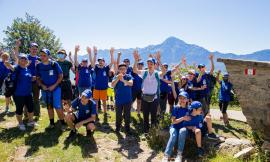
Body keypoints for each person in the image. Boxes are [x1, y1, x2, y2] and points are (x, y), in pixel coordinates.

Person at [36, 48, 66, 129]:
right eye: (41, 55)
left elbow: (61, 76)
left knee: (57, 106)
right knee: (49, 106)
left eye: (44, 55)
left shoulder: (54, 64)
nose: (42, 57)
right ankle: (51, 123)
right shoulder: (38, 66)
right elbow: (38, 77)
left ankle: (63, 123)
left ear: (48, 56)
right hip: (45, 90)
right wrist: (42, 85)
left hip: (56, 88)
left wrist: (54, 85)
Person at [5, 54, 36, 130]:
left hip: (28, 93)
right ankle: (20, 123)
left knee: (31, 108)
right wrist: (8, 64)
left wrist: (33, 78)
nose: (24, 59)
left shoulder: (28, 69)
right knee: (19, 109)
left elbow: (28, 79)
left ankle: (30, 121)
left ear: (27, 61)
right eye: (22, 58)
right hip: (18, 94)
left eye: (25, 58)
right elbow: (10, 67)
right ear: (19, 60)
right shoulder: (16, 68)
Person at [133, 50, 160, 133]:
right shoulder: (144, 72)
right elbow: (135, 70)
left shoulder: (157, 73)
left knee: (153, 116)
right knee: (145, 116)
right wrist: (135, 60)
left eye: (151, 63)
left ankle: (153, 132)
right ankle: (146, 132)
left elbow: (164, 72)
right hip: (144, 97)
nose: (149, 65)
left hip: (154, 98)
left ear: (155, 65)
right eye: (148, 63)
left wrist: (159, 60)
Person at [14, 40, 41, 118]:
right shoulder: (26, 57)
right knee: (27, 97)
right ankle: (26, 114)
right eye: (33, 48)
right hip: (26, 81)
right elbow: (17, 57)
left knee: (36, 98)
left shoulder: (39, 58)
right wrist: (17, 46)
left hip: (36, 81)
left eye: (36, 49)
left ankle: (37, 113)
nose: (34, 50)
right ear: (30, 49)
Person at [162, 91, 190, 162]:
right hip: (174, 127)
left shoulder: (189, 109)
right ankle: (166, 155)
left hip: (184, 128)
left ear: (187, 100)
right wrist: (183, 118)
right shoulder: (176, 108)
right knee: (174, 135)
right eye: (180, 98)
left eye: (184, 98)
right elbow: (173, 121)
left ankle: (179, 155)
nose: (182, 100)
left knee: (182, 131)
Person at [91, 46, 114, 117]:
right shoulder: (97, 69)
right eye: (99, 61)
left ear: (104, 62)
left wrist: (111, 54)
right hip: (96, 88)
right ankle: (96, 113)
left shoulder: (106, 69)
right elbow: (92, 63)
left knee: (104, 101)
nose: (100, 62)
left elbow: (112, 62)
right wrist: (95, 54)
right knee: (96, 101)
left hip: (104, 88)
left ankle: (105, 113)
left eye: (102, 61)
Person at [112, 63, 133, 134]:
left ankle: (127, 129)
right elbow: (112, 85)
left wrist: (123, 80)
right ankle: (118, 128)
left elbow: (131, 84)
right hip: (119, 100)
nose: (122, 70)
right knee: (118, 115)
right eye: (121, 69)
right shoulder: (116, 77)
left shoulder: (128, 76)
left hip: (127, 100)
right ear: (118, 70)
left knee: (127, 115)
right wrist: (118, 78)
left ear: (126, 70)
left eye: (124, 69)